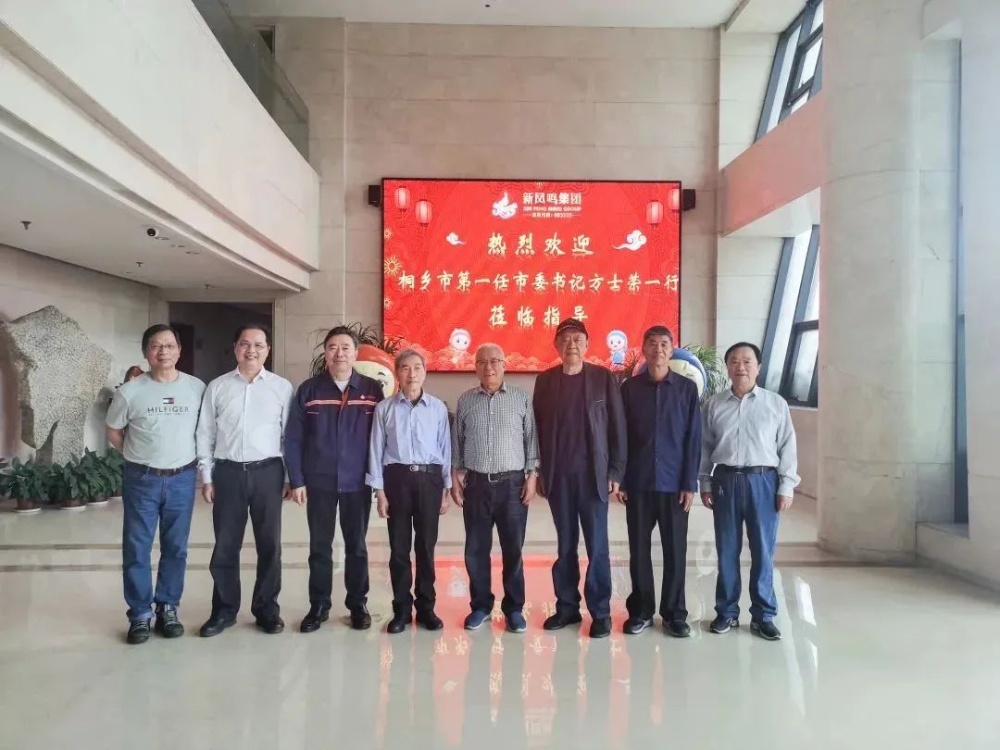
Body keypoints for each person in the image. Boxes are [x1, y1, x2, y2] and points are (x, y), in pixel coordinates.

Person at [106, 324, 206, 645]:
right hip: (142, 479)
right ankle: (139, 614)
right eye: (155, 346)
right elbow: (113, 431)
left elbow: (205, 431)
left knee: (176, 547)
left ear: (180, 351)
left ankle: (168, 607)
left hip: (182, 478)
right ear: (145, 352)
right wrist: (137, 456)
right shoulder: (130, 391)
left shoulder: (196, 388)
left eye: (169, 345)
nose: (163, 352)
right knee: (137, 547)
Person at [284, 326, 385, 632]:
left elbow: (381, 439)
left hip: (357, 482)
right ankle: (319, 605)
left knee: (357, 546)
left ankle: (358, 604)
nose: (339, 353)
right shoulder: (309, 391)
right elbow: (294, 438)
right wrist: (297, 480)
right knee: (320, 547)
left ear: (356, 353)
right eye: (332, 347)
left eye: (345, 347)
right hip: (320, 482)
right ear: (325, 354)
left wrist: (379, 481)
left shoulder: (371, 390)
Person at [195, 324, 293, 638]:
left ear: (268, 350)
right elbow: (205, 433)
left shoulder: (281, 388)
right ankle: (224, 611)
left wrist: (289, 476)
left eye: (258, 345)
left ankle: (267, 609)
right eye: (245, 344)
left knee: (270, 545)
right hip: (228, 473)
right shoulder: (218, 387)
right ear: (235, 347)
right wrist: (206, 476)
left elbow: (289, 436)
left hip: (268, 473)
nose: (252, 350)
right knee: (226, 545)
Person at [532, 318, 626, 639]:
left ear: (587, 345)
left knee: (597, 546)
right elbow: (537, 430)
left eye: (577, 339)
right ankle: (567, 607)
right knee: (565, 545)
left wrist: (615, 471)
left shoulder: (602, 378)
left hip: (594, 477)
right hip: (559, 478)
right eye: (565, 339)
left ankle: (600, 612)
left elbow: (617, 427)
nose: (571, 345)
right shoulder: (545, 382)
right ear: (556, 346)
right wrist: (539, 471)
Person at [700, 342, 799, 641]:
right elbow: (704, 447)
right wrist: (705, 482)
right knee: (726, 550)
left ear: (758, 366)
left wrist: (786, 485)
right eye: (734, 361)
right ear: (727, 367)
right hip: (726, 480)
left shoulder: (775, 404)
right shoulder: (714, 405)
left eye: (747, 361)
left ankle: (763, 615)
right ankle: (727, 612)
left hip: (763, 481)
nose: (740, 366)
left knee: (763, 552)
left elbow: (787, 446)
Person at [619, 326, 701, 637]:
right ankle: (640, 611)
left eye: (664, 344)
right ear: (643, 349)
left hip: (674, 485)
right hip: (638, 483)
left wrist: (689, 483)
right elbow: (621, 437)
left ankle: (674, 614)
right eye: (652, 344)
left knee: (675, 551)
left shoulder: (686, 389)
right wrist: (621, 478)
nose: (658, 349)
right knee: (639, 551)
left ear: (672, 348)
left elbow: (693, 439)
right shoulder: (629, 389)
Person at [451, 343, 539, 634]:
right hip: (476, 484)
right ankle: (480, 606)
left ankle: (514, 609)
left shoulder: (520, 398)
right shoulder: (466, 400)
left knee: (513, 549)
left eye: (494, 361)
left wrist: (532, 475)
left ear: (504, 364)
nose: (489, 367)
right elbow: (457, 443)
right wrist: (455, 476)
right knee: (476, 549)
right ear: (475, 367)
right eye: (482, 362)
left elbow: (531, 440)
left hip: (512, 485)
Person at [367, 349, 452, 634]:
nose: (411, 373)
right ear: (397, 373)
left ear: (425, 372)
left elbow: (445, 449)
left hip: (429, 481)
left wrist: (446, 487)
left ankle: (426, 608)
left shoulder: (438, 408)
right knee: (399, 549)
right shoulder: (385, 409)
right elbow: (376, 449)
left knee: (426, 548)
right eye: (405, 368)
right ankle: (401, 610)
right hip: (397, 480)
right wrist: (379, 491)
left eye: (417, 367)